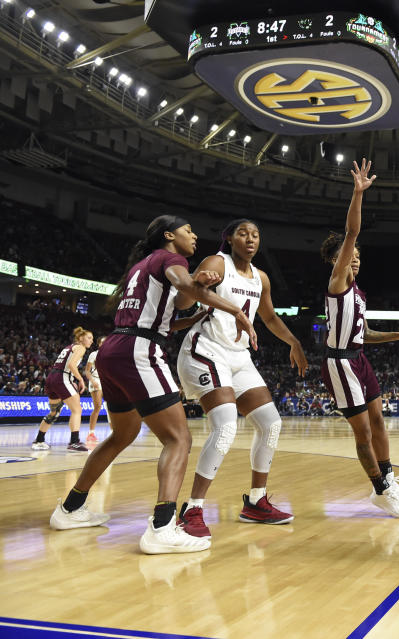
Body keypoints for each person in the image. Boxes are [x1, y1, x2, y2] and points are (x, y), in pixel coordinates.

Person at [47, 214, 257, 555]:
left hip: (112, 350)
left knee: (122, 435)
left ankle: (70, 507)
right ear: (169, 235)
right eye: (189, 231)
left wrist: (194, 308)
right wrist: (236, 311)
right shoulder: (171, 258)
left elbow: (169, 315)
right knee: (178, 438)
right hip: (138, 350)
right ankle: (162, 527)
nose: (195, 235)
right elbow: (186, 286)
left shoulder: (141, 266)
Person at [176, 219, 309, 538]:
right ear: (229, 239)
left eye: (255, 234)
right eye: (243, 234)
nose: (250, 239)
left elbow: (270, 317)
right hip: (205, 349)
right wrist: (199, 283)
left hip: (238, 356)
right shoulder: (216, 263)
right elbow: (183, 303)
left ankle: (256, 502)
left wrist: (293, 341)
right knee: (226, 426)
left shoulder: (261, 277)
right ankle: (192, 508)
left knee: (270, 423)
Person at [320, 159, 399, 518]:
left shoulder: (358, 294)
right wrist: (358, 194)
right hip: (339, 362)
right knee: (362, 432)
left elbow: (365, 334)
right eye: (350, 256)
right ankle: (379, 490)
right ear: (337, 261)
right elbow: (351, 234)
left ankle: (389, 477)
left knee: (378, 421)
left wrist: (398, 335)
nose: (356, 259)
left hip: (359, 358)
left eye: (359, 257)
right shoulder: (337, 283)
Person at [32, 326, 94, 452]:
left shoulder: (68, 347)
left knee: (54, 413)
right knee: (77, 410)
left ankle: (39, 440)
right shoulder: (80, 347)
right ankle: (74, 442)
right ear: (81, 338)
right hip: (62, 378)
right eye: (89, 338)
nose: (91, 341)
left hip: (51, 378)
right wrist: (80, 379)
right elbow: (71, 365)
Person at [83, 336, 108, 445]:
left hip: (106, 381)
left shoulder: (110, 355)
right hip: (96, 380)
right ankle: (91, 433)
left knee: (110, 406)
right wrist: (92, 381)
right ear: (99, 344)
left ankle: (114, 431)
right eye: (102, 342)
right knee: (97, 406)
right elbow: (87, 371)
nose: (104, 344)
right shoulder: (94, 354)